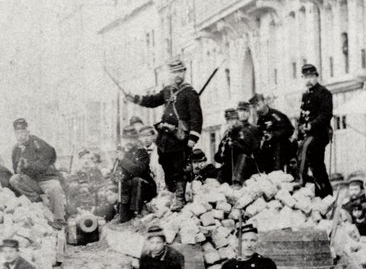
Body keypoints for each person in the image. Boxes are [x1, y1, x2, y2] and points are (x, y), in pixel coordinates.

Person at [125, 58, 203, 210]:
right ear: (169, 74)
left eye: (180, 71)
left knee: (180, 168)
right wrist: (135, 99)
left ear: (185, 72)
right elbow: (152, 100)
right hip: (165, 139)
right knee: (166, 166)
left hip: (179, 138)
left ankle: (180, 199)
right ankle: (172, 193)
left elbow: (196, 117)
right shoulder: (167, 91)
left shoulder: (189, 93)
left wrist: (193, 138)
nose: (177, 75)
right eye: (174, 72)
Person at [8, 118, 66, 224]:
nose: (20, 135)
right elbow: (15, 169)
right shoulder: (16, 149)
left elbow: (46, 161)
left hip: (47, 178)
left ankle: (59, 219)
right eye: (17, 133)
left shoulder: (37, 143)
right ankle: (38, 201)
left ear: (27, 132)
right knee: (14, 179)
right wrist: (20, 169)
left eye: (22, 132)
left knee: (55, 188)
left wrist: (28, 165)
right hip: (32, 181)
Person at [102, 125, 157, 223]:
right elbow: (115, 176)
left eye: (132, 139)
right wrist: (118, 176)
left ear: (136, 139)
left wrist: (123, 159)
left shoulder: (141, 152)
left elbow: (138, 171)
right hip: (128, 191)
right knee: (123, 219)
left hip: (145, 189)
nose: (129, 142)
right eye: (126, 139)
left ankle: (137, 213)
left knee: (136, 180)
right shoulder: (121, 154)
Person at [294, 63, 333, 198]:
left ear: (316, 76)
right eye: (305, 77)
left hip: (320, 133)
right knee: (317, 166)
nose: (308, 80)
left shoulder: (324, 93)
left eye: (311, 76)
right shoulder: (306, 95)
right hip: (308, 134)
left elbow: (326, 115)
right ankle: (324, 192)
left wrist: (311, 125)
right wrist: (298, 134)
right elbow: (302, 116)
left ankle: (300, 179)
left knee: (306, 148)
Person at [249, 93, 294, 176]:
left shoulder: (276, 115)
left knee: (277, 144)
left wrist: (273, 135)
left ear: (265, 102)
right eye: (254, 107)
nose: (257, 108)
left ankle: (277, 172)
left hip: (282, 150)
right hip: (268, 151)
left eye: (258, 104)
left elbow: (289, 129)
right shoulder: (260, 120)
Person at [215, 106, 257, 185]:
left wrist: (234, 145)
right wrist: (221, 155)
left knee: (242, 156)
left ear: (238, 120)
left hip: (247, 167)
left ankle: (236, 182)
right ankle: (218, 184)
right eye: (228, 120)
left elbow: (249, 150)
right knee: (223, 167)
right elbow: (219, 156)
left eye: (233, 120)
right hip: (232, 167)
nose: (230, 123)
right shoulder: (227, 135)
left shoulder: (245, 131)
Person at [64, 149, 105, 214]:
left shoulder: (96, 171)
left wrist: (94, 186)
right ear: (79, 160)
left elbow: (103, 184)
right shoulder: (75, 173)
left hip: (94, 202)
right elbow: (70, 189)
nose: (86, 161)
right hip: (79, 204)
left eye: (88, 158)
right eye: (83, 158)